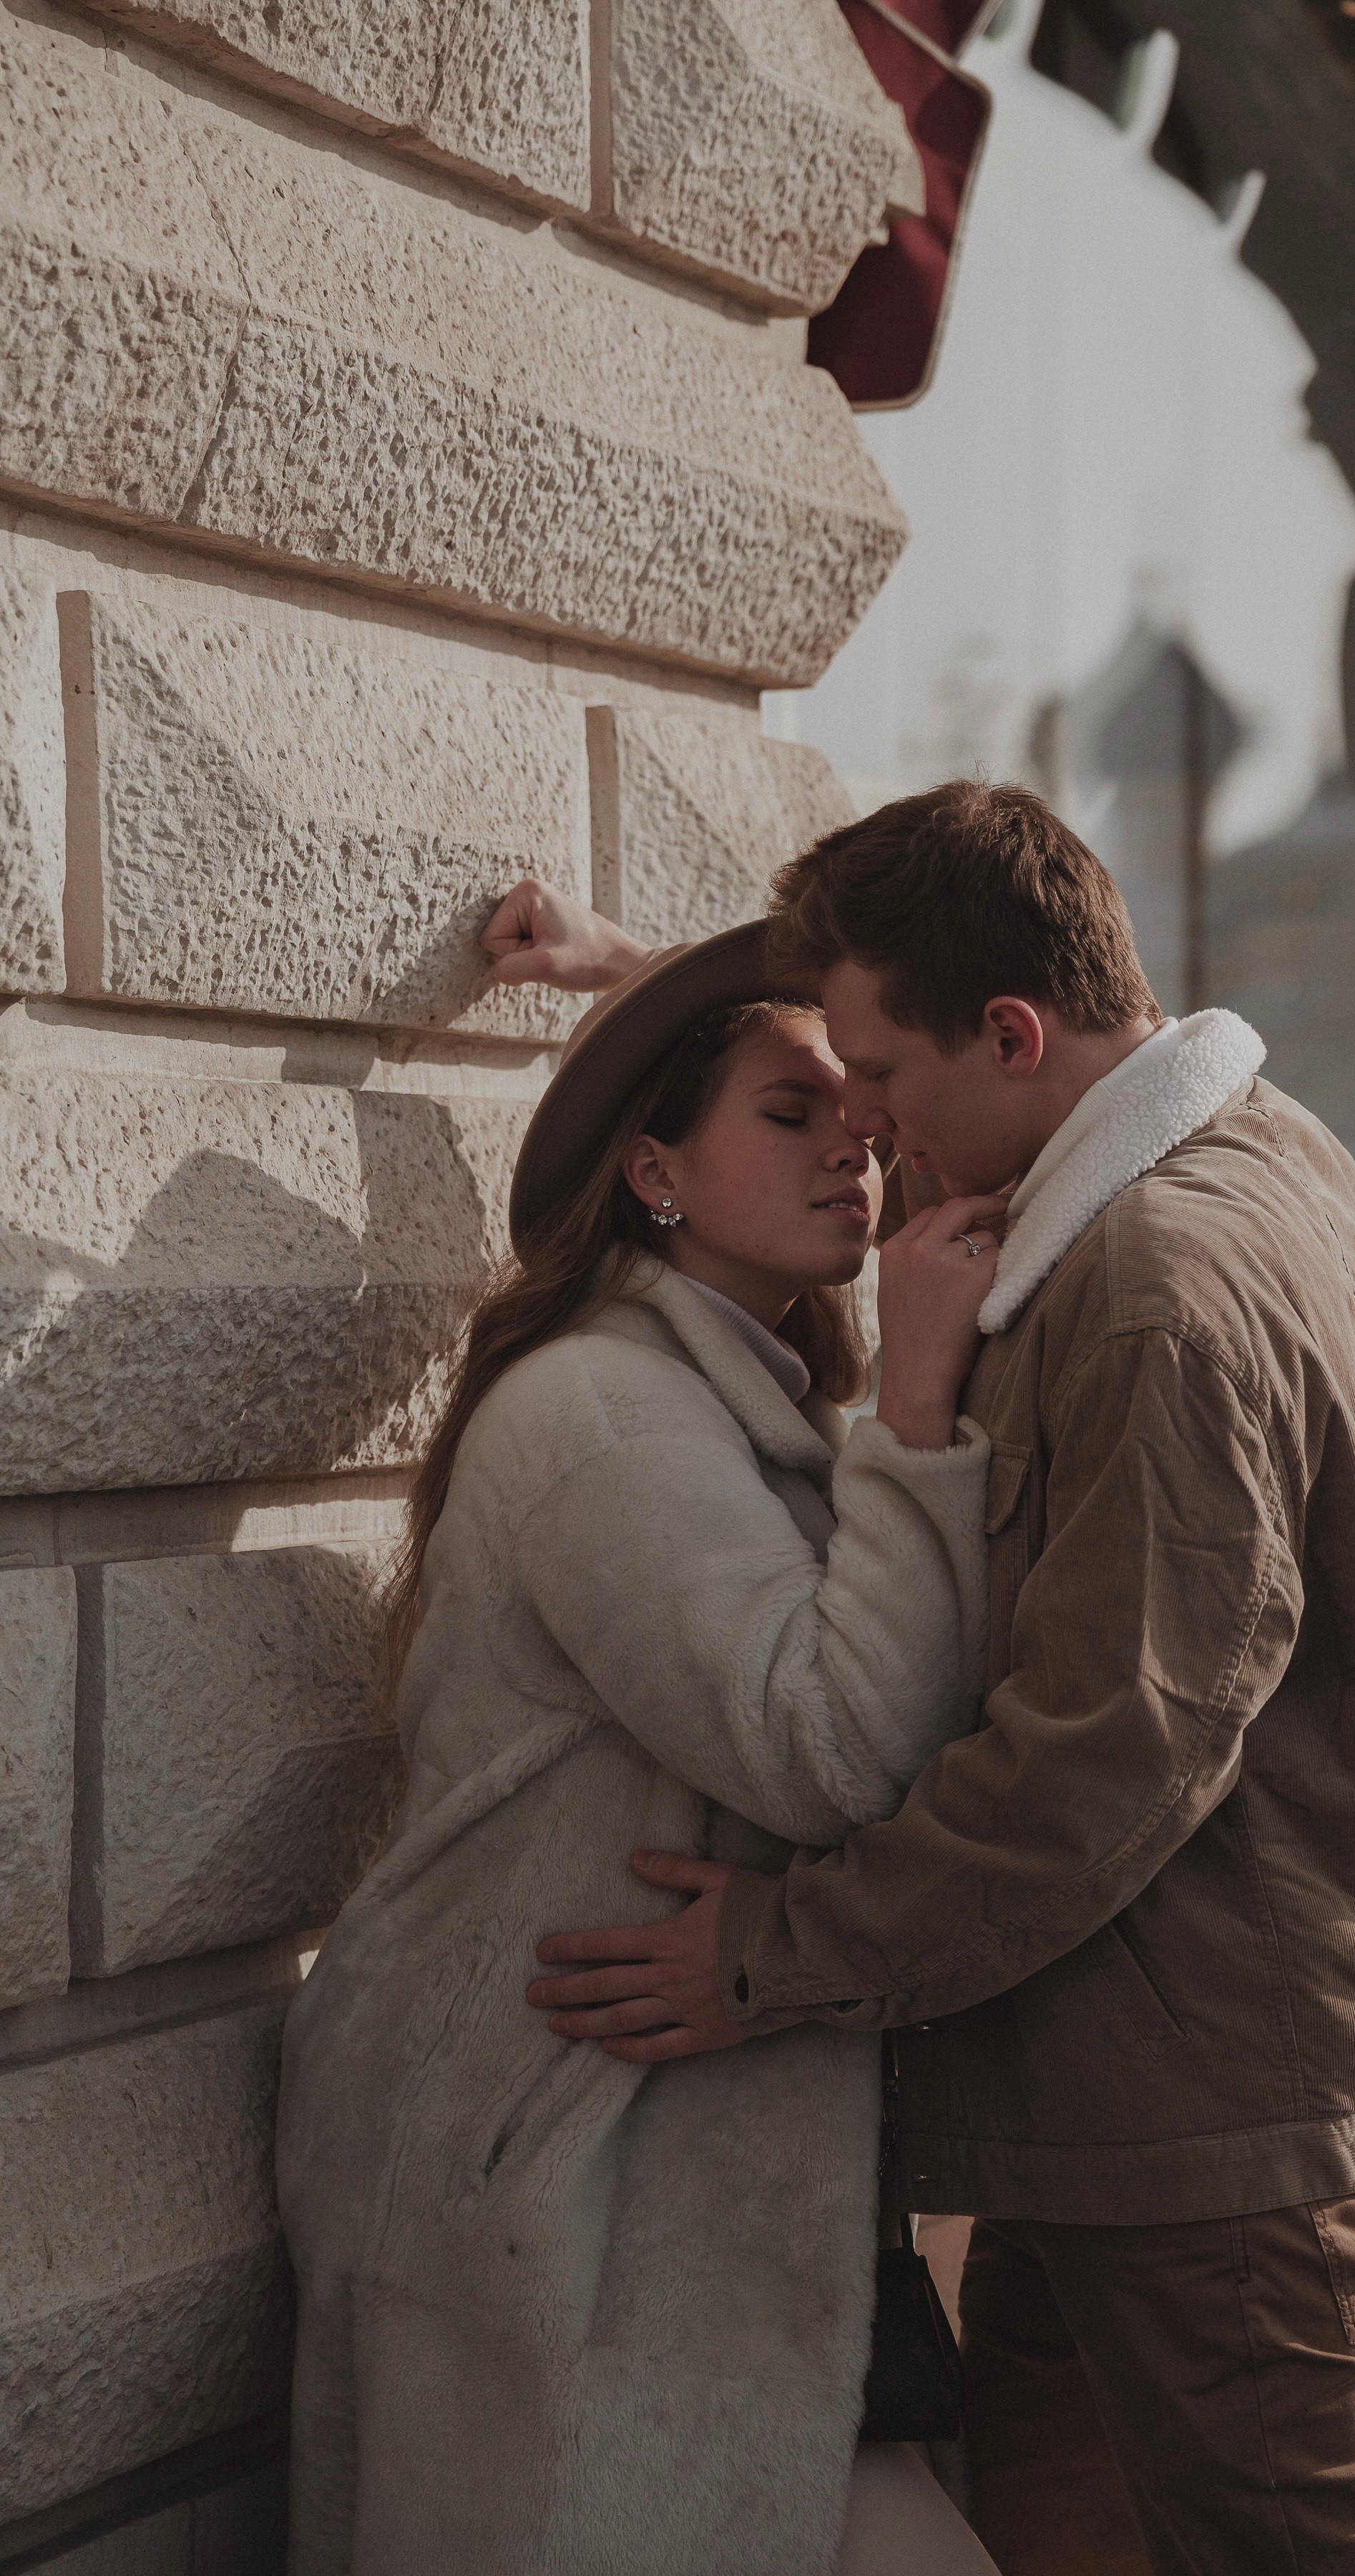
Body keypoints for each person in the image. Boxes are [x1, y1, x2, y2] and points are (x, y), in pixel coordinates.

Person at [517, 782, 1355, 2576]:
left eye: (879, 1082)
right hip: (1118, 2099)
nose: (866, 1134)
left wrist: (773, 1955)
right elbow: (942, 982)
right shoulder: (1245, 1136)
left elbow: (1101, 1760)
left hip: (1217, 2139)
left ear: (1017, 1035)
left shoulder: (1150, 1290)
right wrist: (638, 988)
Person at [275, 921, 1007, 2575]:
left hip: (692, 2182)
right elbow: (825, 1748)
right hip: (552, 2172)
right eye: (791, 1112)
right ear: (657, 1172)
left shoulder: (748, 1410)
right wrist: (913, 1414)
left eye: (857, 1106)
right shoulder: (602, 1414)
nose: (857, 1141)